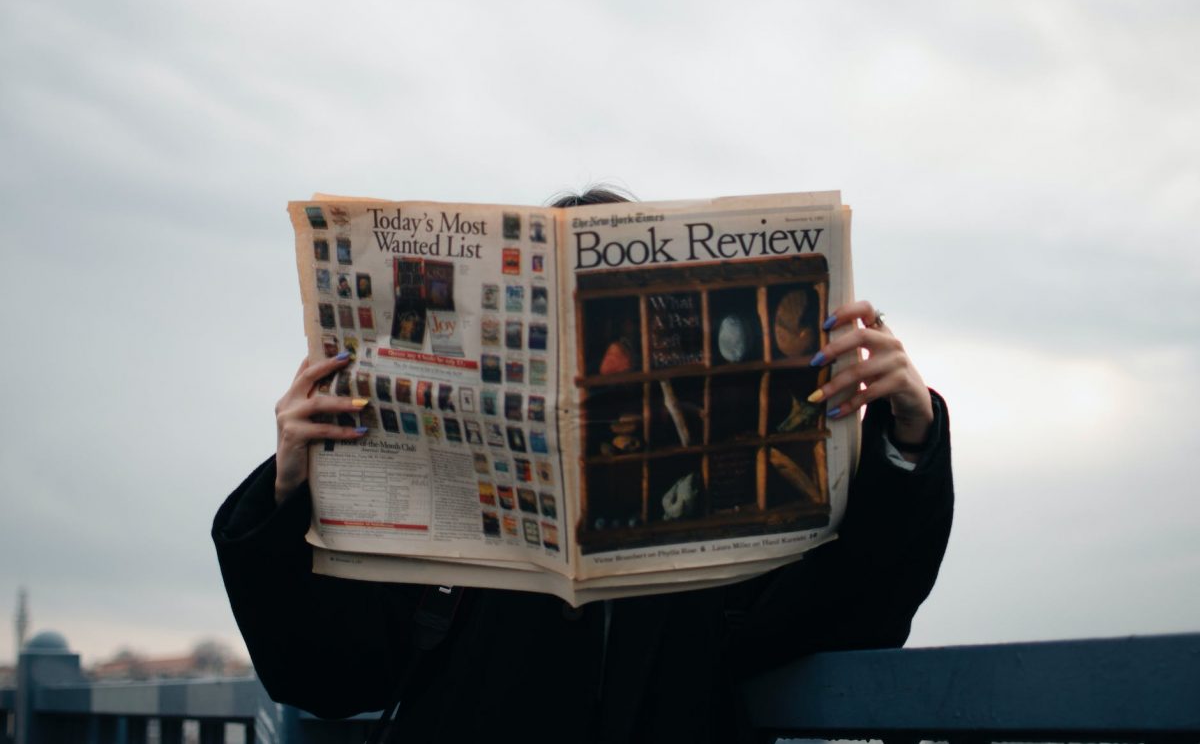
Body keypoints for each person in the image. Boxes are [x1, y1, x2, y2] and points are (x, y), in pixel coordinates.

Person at [212, 188, 953, 743]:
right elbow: (321, 671)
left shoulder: (717, 533)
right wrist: (287, 487)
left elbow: (859, 606)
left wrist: (907, 433)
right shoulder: (448, 549)